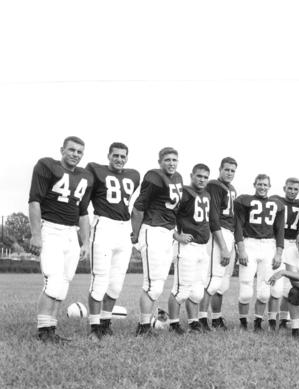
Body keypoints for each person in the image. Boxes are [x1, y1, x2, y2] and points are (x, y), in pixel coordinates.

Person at [29, 136, 94, 343]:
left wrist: (85, 242)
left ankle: (51, 329)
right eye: (72, 150)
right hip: (51, 229)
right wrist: (36, 234)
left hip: (70, 233)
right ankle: (43, 331)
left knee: (64, 283)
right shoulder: (47, 166)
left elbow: (83, 212)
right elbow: (34, 201)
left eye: (79, 152)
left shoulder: (85, 176)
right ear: (62, 150)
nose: (75, 154)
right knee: (53, 281)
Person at [85, 142, 140, 341]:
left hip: (123, 229)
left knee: (116, 283)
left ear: (127, 157)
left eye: (123, 156)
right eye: (115, 155)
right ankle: (94, 326)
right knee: (99, 280)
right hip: (103, 226)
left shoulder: (134, 175)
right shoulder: (94, 170)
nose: (119, 159)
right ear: (108, 155)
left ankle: (106, 323)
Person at [131, 147, 183, 336]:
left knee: (158, 283)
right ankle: (143, 327)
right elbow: (138, 208)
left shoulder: (178, 178)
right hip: (152, 229)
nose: (171, 163)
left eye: (174, 159)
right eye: (167, 159)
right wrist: (135, 235)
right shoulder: (154, 176)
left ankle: (145, 323)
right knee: (152, 285)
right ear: (160, 161)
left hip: (167, 233)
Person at [234, 174, 285, 331]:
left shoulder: (277, 204)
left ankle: (257, 323)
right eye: (260, 184)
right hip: (249, 243)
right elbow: (238, 226)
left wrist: (278, 253)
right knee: (246, 291)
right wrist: (241, 250)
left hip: (269, 245)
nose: (262, 187)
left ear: (270, 186)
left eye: (265, 185)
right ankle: (243, 323)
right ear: (254, 184)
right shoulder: (244, 200)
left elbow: (280, 230)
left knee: (264, 291)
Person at [167, 164, 212, 335]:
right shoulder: (184, 192)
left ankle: (194, 323)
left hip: (202, 247)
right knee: (181, 290)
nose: (202, 179)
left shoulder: (206, 194)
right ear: (191, 175)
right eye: (199, 176)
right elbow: (168, 214)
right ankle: (173, 324)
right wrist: (177, 236)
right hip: (187, 246)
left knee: (197, 291)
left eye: (205, 177)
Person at [198, 157, 238, 331]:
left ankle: (216, 318)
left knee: (222, 283)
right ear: (220, 169)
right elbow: (213, 218)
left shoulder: (231, 188)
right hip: (218, 234)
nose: (229, 173)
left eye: (232, 170)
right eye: (226, 169)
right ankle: (200, 319)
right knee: (212, 281)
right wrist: (223, 247)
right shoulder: (214, 186)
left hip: (229, 234)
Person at [277, 177, 299, 329]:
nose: (292, 192)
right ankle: (277, 318)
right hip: (279, 242)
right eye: (290, 188)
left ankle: (283, 319)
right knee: (277, 284)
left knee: (289, 284)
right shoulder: (276, 201)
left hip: (294, 244)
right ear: (284, 188)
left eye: (295, 189)